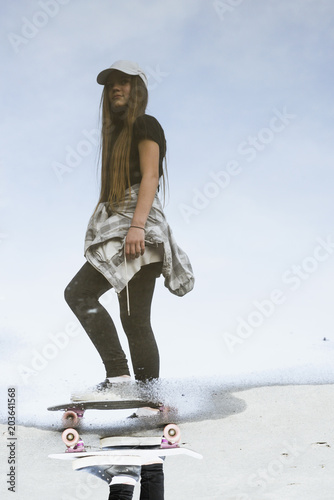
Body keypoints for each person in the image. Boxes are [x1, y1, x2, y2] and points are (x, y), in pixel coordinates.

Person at [64, 60, 194, 399]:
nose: (116, 89)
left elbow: (150, 176)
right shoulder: (116, 135)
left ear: (138, 89)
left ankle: (121, 377)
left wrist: (136, 227)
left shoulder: (145, 125)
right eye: (111, 85)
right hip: (125, 226)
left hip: (140, 229)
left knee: (80, 294)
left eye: (124, 82)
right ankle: (148, 399)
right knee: (134, 319)